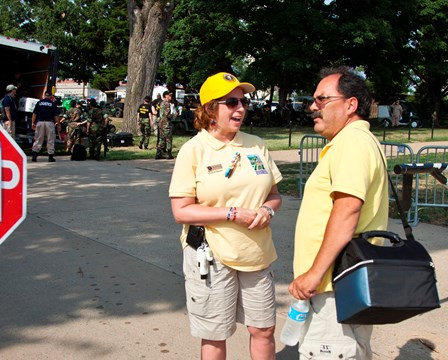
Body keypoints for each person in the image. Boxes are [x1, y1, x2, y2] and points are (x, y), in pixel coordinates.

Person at [169, 72, 283, 360]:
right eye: (231, 102)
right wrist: (232, 213)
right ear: (210, 109)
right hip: (212, 255)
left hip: (256, 254)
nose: (241, 108)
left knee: (264, 330)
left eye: (243, 102)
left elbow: (274, 195)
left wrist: (267, 210)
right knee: (216, 335)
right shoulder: (193, 150)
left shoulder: (256, 145)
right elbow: (181, 211)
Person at [288, 66, 389, 359]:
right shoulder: (353, 141)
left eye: (322, 100)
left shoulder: (352, 143)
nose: (312, 107)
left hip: (335, 283)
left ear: (350, 105)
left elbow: (347, 210)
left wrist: (314, 274)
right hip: (343, 280)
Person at [31, 91, 61, 162]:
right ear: (51, 96)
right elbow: (56, 116)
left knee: (38, 138)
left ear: (44, 95)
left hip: (40, 122)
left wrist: (33, 122)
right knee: (50, 139)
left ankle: (34, 155)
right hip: (49, 123)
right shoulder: (52, 104)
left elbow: (34, 114)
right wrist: (58, 124)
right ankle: (50, 156)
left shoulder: (39, 103)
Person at [155, 90, 174, 159]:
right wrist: (174, 115)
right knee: (168, 139)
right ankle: (169, 154)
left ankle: (159, 153)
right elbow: (167, 114)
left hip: (161, 123)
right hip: (166, 124)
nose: (171, 97)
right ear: (166, 96)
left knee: (161, 138)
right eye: (170, 95)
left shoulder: (161, 103)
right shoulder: (167, 103)